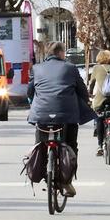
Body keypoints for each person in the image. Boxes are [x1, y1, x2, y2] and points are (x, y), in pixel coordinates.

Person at [28, 42, 96, 197]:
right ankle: (67, 181)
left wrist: (36, 104)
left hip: (41, 115)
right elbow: (82, 92)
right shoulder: (70, 68)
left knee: (40, 144)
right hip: (66, 115)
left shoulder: (37, 68)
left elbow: (30, 91)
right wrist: (84, 101)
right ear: (61, 53)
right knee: (71, 145)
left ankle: (41, 171)